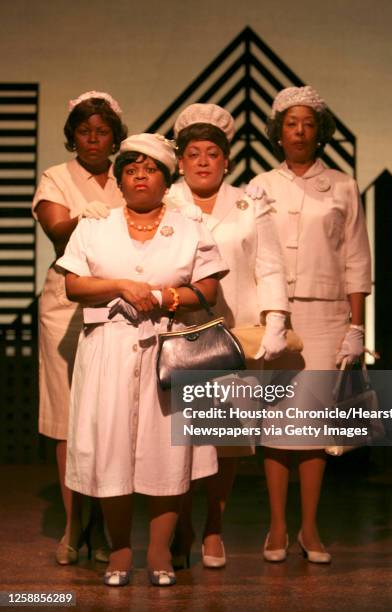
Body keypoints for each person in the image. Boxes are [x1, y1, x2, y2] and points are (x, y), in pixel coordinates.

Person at [56, 133, 229, 587]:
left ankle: (158, 552)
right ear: (120, 178)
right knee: (111, 446)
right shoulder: (96, 224)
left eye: (149, 169)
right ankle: (119, 548)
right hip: (108, 346)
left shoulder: (189, 225)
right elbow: (73, 285)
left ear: (166, 177)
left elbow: (208, 290)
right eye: (130, 169)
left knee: (166, 450)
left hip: (167, 348)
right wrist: (119, 285)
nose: (139, 176)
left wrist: (166, 295)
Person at [248, 86, 372, 563]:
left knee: (315, 425)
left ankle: (310, 527)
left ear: (320, 132)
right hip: (276, 313)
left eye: (307, 123)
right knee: (277, 422)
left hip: (324, 315)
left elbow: (356, 258)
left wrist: (355, 327)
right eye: (290, 123)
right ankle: (277, 526)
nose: (298, 131)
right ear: (277, 132)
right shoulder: (261, 185)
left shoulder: (342, 185)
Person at [170, 103, 290, 569]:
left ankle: (214, 529)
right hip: (179, 330)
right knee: (179, 436)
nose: (203, 161)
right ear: (180, 161)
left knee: (229, 438)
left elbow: (270, 263)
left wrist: (276, 317)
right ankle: (179, 524)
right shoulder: (167, 199)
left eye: (213, 153)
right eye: (194, 153)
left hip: (235, 331)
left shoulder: (249, 202)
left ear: (226, 161)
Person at [32, 91, 127, 565]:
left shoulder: (129, 175)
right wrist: (78, 220)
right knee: (69, 417)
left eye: (102, 130)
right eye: (85, 130)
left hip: (117, 304)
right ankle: (73, 526)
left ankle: (109, 527)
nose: (93, 138)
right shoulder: (57, 177)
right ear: (72, 136)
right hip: (65, 309)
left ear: (115, 137)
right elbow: (53, 228)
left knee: (108, 415)